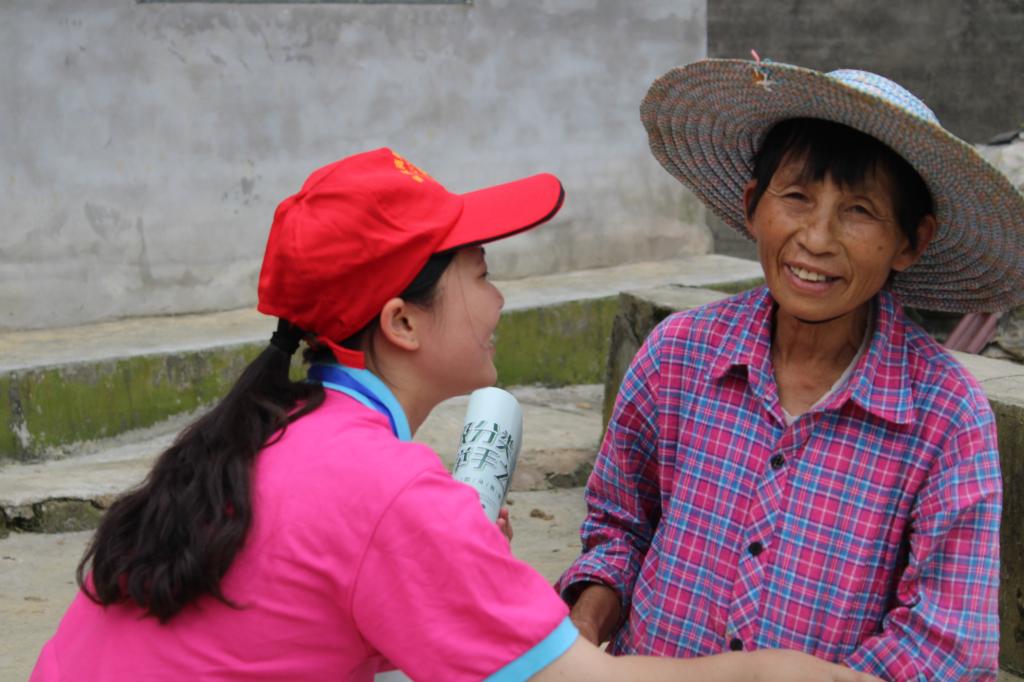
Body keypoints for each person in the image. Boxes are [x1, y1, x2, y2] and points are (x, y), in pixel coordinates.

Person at [30, 148, 875, 682]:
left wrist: (452, 575)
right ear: (402, 322)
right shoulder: (390, 491)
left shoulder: (276, 428)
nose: (499, 299)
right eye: (480, 273)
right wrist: (783, 674)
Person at [558, 59, 1022, 681]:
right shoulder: (679, 354)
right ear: (754, 206)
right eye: (797, 197)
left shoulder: (946, 415)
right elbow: (619, 527)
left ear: (910, 242)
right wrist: (584, 627)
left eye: (859, 210)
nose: (817, 238)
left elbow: (944, 647)